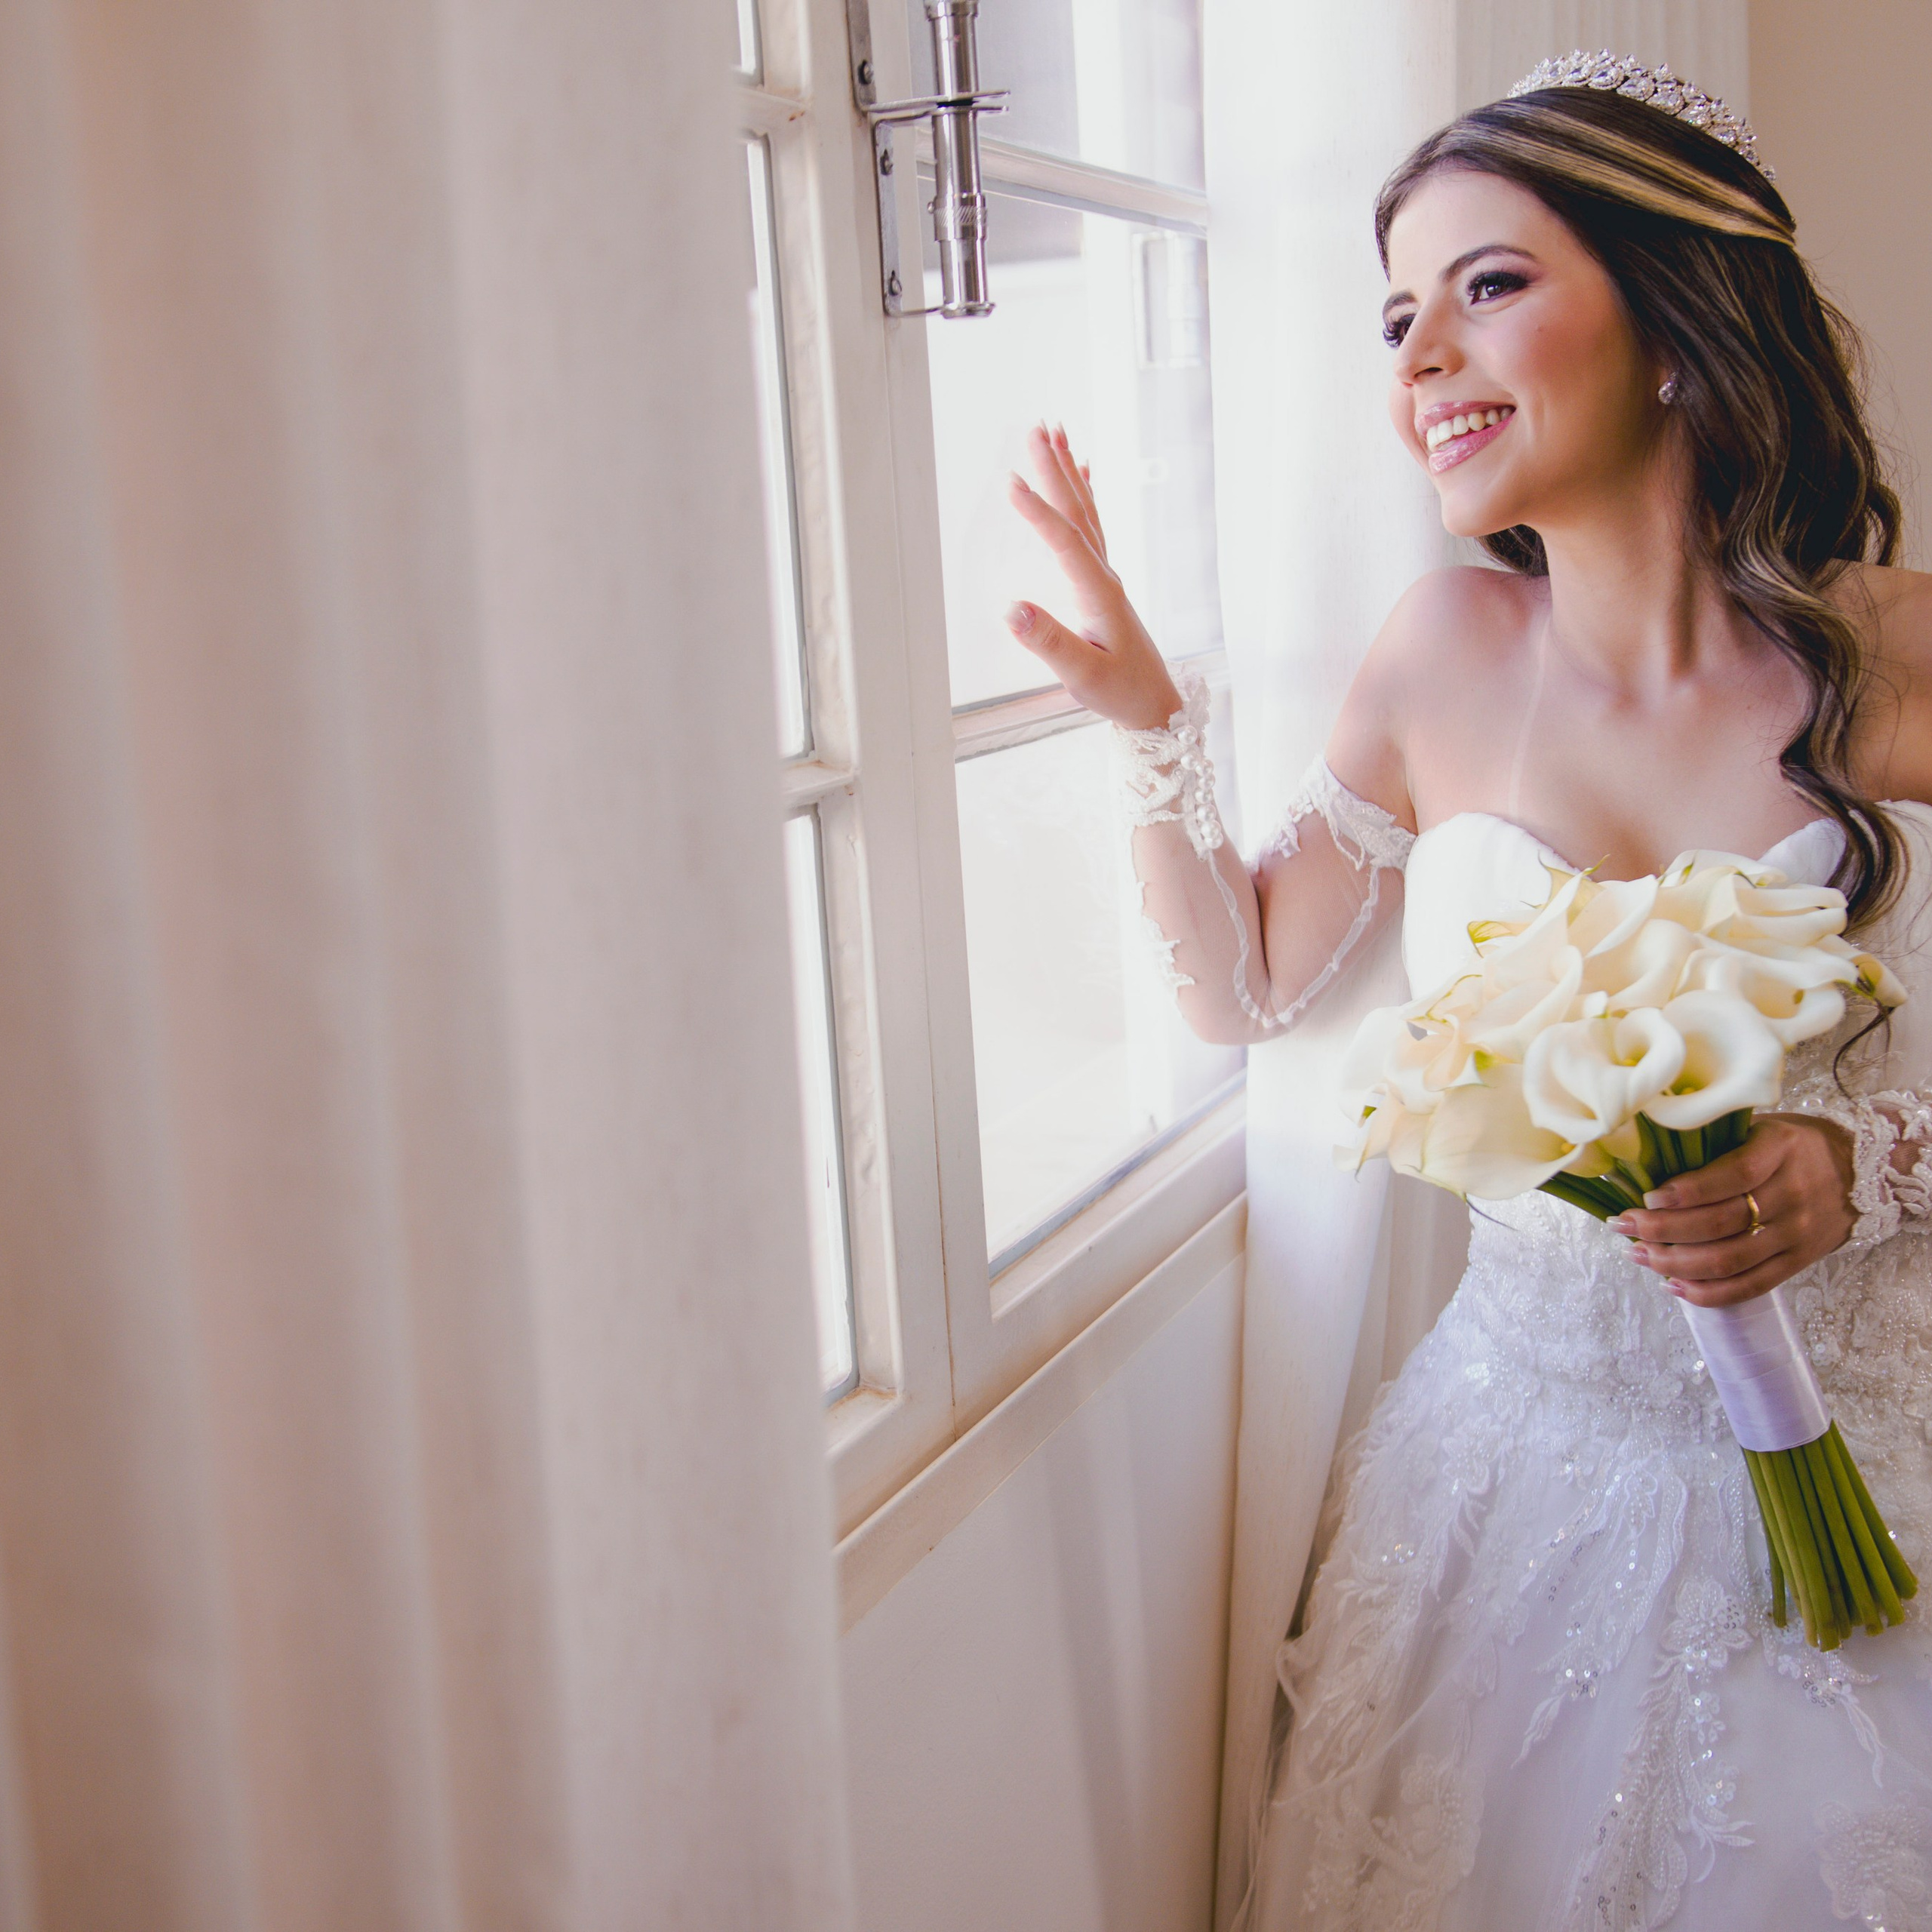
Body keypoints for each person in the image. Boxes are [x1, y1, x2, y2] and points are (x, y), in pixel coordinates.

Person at [1003, 54, 1932, 1931]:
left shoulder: (1903, 653)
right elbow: (1248, 988)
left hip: (1872, 1453)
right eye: (1394, 317)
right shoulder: (1437, 650)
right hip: (1509, 1490)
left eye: (1486, 285)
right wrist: (1146, 731)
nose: (1420, 355)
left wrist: (1868, 1160)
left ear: (1672, 322)